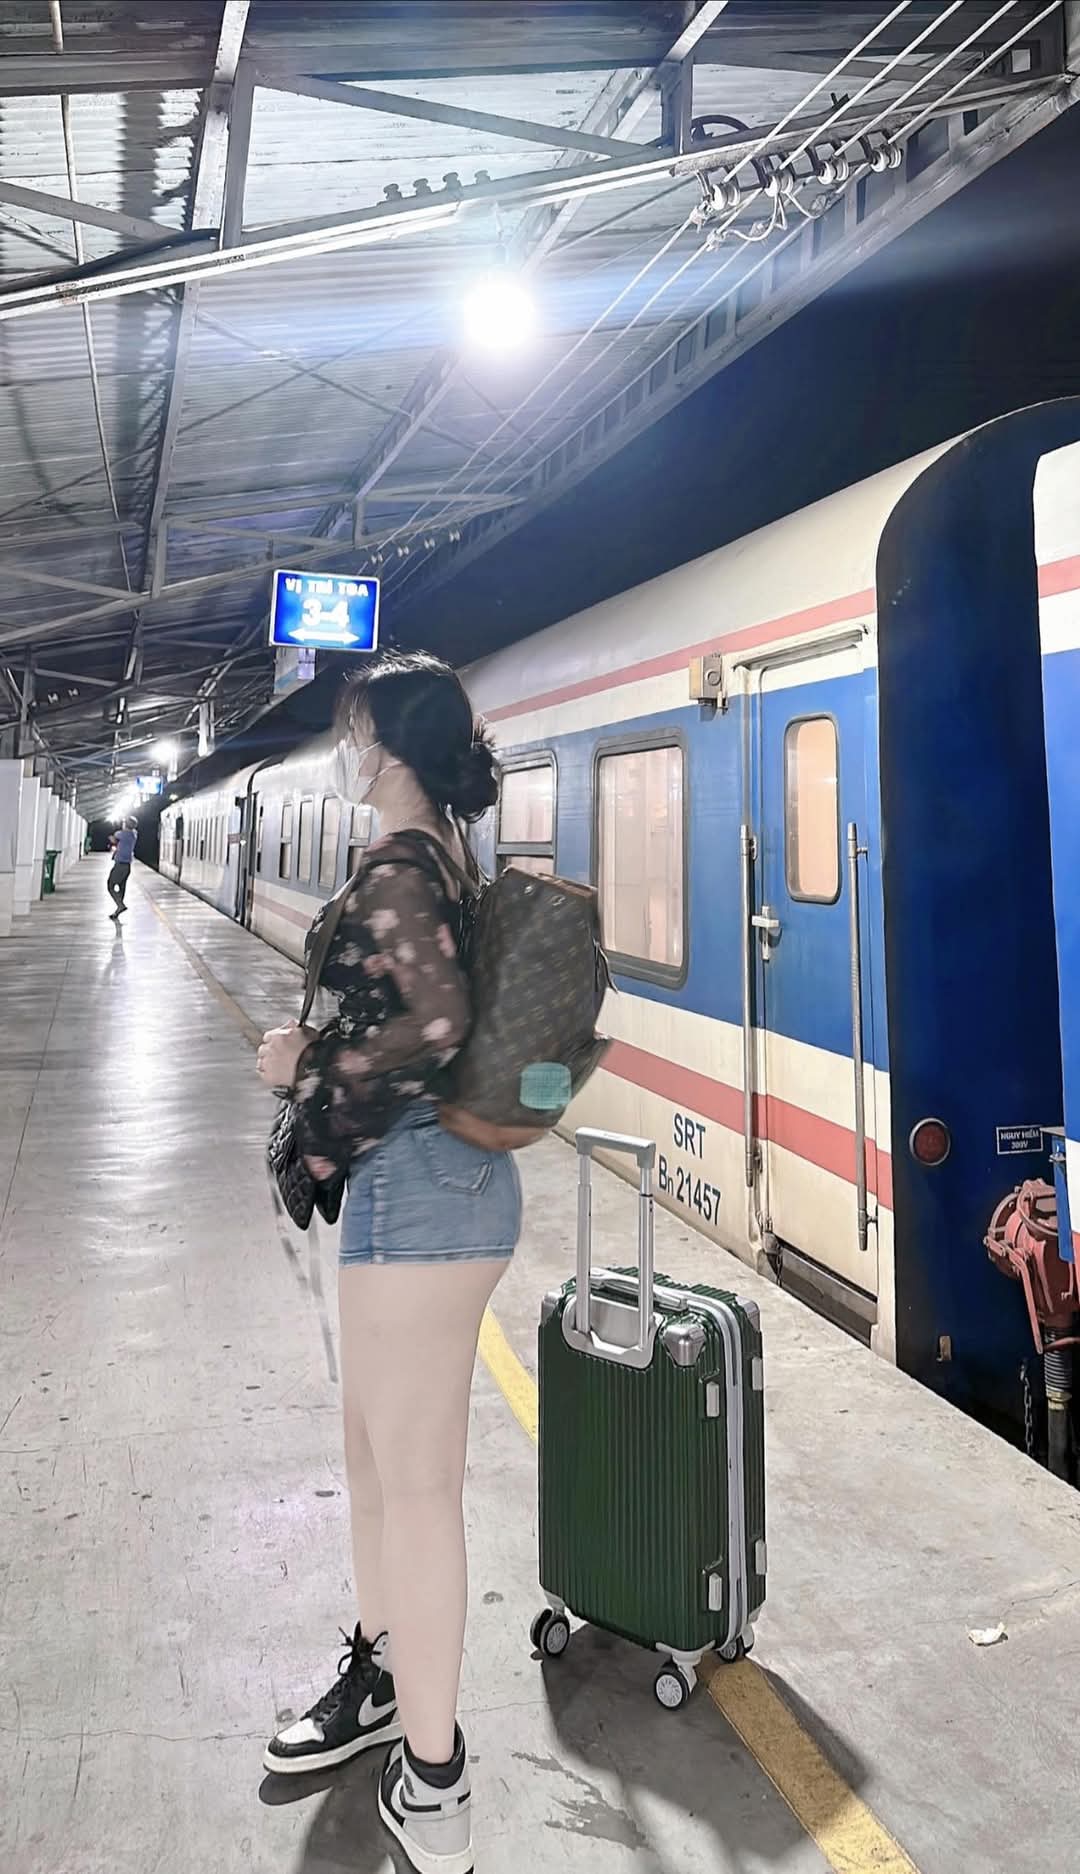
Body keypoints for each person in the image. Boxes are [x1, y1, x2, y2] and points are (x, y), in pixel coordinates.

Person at [255, 650, 519, 1874]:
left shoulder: (406, 866)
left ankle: (437, 1782)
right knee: (373, 1464)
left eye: (355, 729)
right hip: (411, 1191)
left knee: (414, 1488)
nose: (345, 751)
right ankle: (378, 1677)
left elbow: (435, 1021)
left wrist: (300, 1065)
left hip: (424, 1192)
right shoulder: (445, 857)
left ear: (392, 747)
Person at [107, 817, 137, 919]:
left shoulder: (124, 834)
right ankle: (117, 911)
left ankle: (120, 905)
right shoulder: (134, 834)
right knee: (121, 888)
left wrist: (114, 839)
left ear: (126, 824)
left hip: (120, 865)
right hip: (127, 866)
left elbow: (116, 835)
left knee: (110, 885)